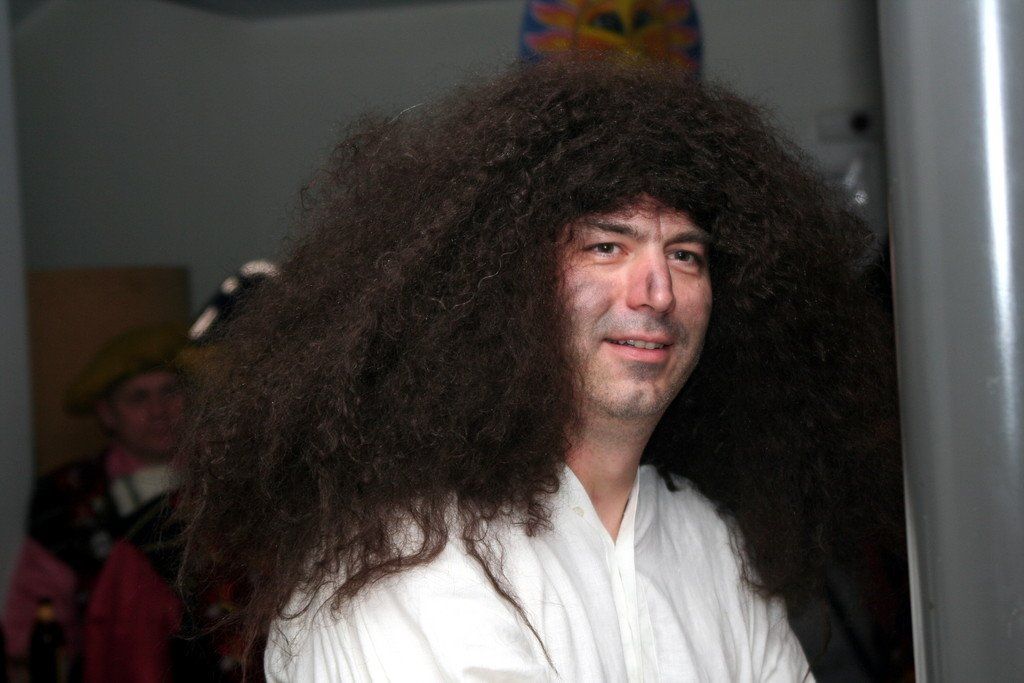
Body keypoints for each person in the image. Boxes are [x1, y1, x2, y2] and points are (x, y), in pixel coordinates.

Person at [179, 58, 903, 681]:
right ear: (507, 285)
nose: (657, 292)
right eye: (606, 247)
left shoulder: (707, 537)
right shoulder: (404, 551)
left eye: (685, 255)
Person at [2, 324, 187, 675]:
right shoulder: (69, 494)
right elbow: (35, 615)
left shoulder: (230, 480)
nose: (159, 410)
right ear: (107, 413)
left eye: (170, 391)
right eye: (138, 398)